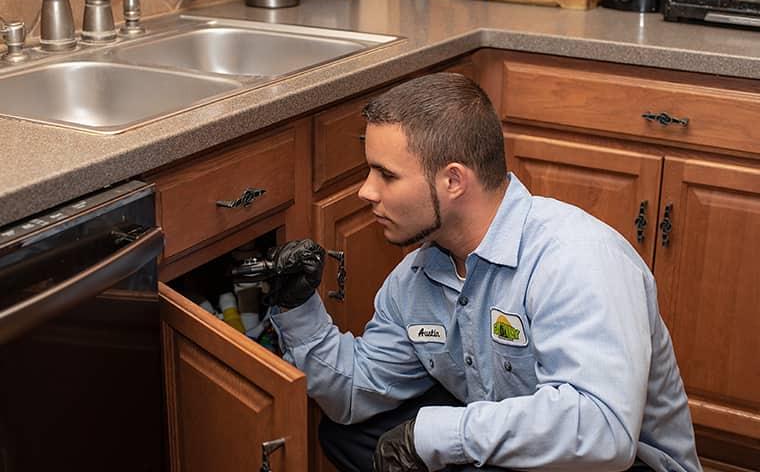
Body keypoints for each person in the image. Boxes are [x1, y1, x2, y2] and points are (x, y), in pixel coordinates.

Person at [265, 73, 702, 472]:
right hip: (511, 438)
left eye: (386, 174)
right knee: (348, 435)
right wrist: (297, 306)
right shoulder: (415, 278)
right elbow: (356, 393)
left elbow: (603, 432)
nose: (366, 191)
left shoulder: (577, 258)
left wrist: (438, 435)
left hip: (623, 462)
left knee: (426, 437)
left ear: (453, 181)